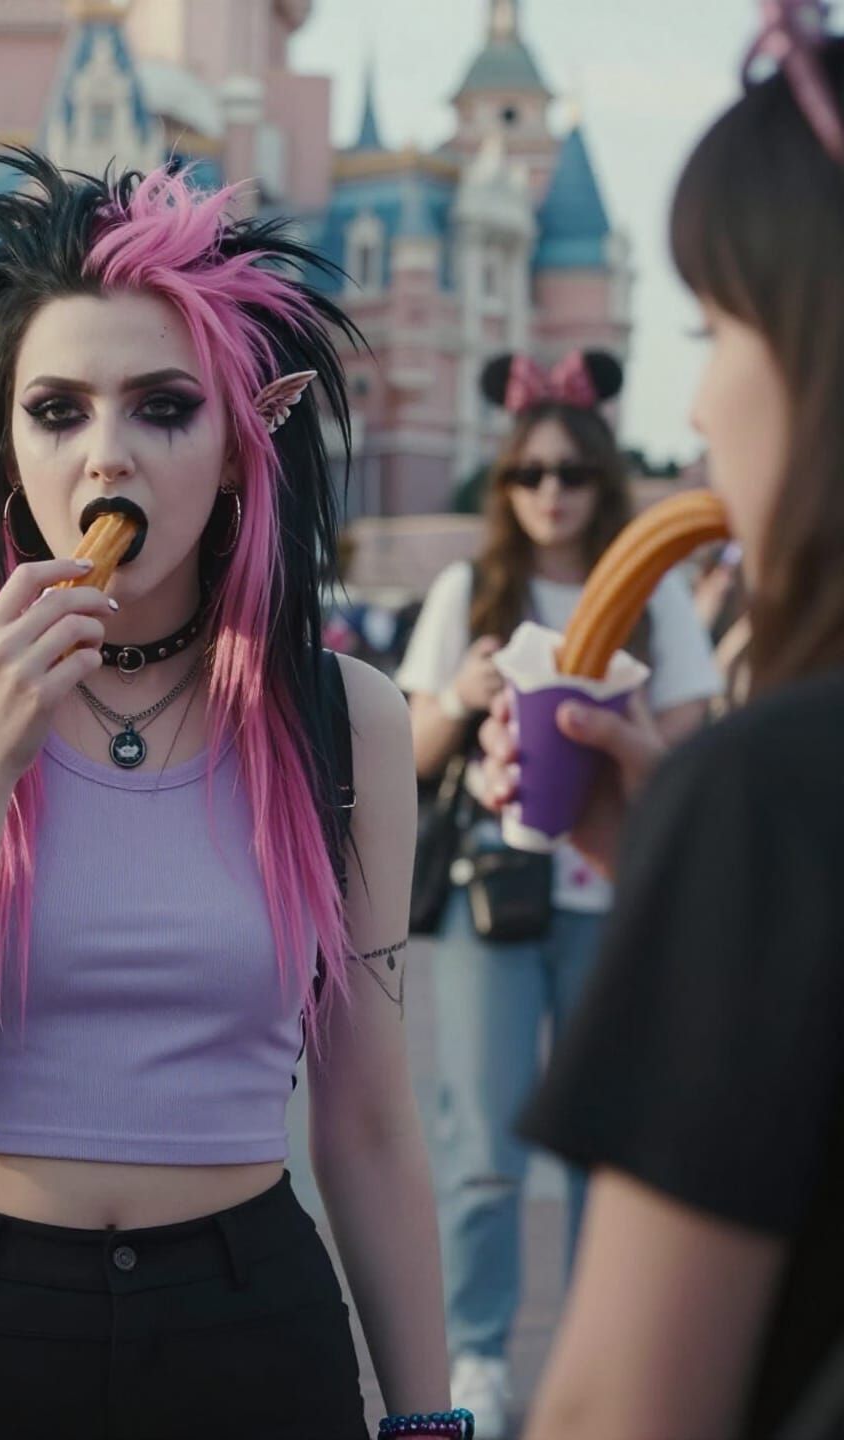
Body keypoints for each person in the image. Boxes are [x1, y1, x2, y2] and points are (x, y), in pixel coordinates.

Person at [0, 152, 457, 1439]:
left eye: (164, 408)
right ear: (8, 439)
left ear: (233, 449)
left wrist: (430, 1421)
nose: (107, 455)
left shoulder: (347, 719)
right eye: (57, 410)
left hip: (248, 1321)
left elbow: (372, 1125)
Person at [472, 16, 844, 1440]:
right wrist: (667, 870)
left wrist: (711, 856)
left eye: (716, 330)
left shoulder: (772, 796)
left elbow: (619, 1412)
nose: (695, 401)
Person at [393, 351, 720, 1437]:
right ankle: (478, 1358)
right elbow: (411, 741)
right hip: (496, 892)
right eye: (529, 474)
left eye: (572, 472)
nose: (551, 493)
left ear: (602, 478)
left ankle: (595, 1351)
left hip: (612, 897)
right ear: (504, 484)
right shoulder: (465, 593)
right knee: (482, 1145)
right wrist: (471, 693)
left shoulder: (659, 591)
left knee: (601, 1148)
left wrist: (615, 728)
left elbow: (688, 736)